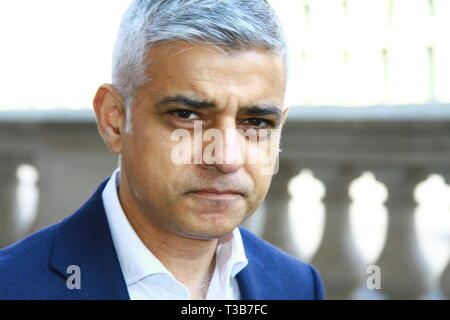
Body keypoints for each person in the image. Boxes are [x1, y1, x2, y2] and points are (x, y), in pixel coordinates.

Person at [0, 0, 324, 300]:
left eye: (256, 122)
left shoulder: (297, 286)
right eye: (187, 115)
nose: (226, 158)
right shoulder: (12, 286)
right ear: (114, 120)